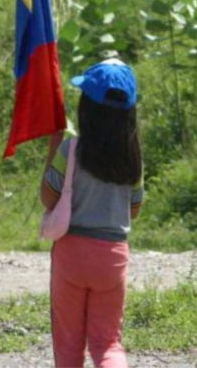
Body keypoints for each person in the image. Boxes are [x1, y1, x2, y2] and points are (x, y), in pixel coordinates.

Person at [40, 59, 144, 368]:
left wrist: (53, 148)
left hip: (72, 253)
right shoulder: (133, 158)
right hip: (112, 256)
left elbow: (48, 198)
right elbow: (134, 210)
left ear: (87, 108)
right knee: (108, 343)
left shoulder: (71, 149)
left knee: (69, 345)